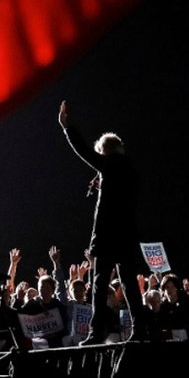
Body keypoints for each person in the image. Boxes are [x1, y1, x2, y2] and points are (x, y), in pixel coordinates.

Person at [57, 100, 141, 344]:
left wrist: (66, 127)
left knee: (99, 284)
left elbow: (83, 150)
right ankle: (141, 329)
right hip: (127, 236)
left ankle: (97, 333)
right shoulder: (131, 172)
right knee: (129, 285)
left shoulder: (107, 166)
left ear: (104, 151)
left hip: (106, 236)